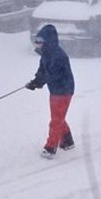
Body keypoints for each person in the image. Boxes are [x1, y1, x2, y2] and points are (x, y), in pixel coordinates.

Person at [25, 24, 75, 159]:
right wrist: (35, 81)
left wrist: (39, 83)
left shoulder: (58, 56)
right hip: (55, 90)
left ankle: (50, 147)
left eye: (41, 41)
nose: (38, 44)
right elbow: (43, 70)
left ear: (49, 42)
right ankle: (68, 141)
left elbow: (52, 74)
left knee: (56, 120)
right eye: (37, 41)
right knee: (58, 117)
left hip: (64, 90)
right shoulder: (46, 54)